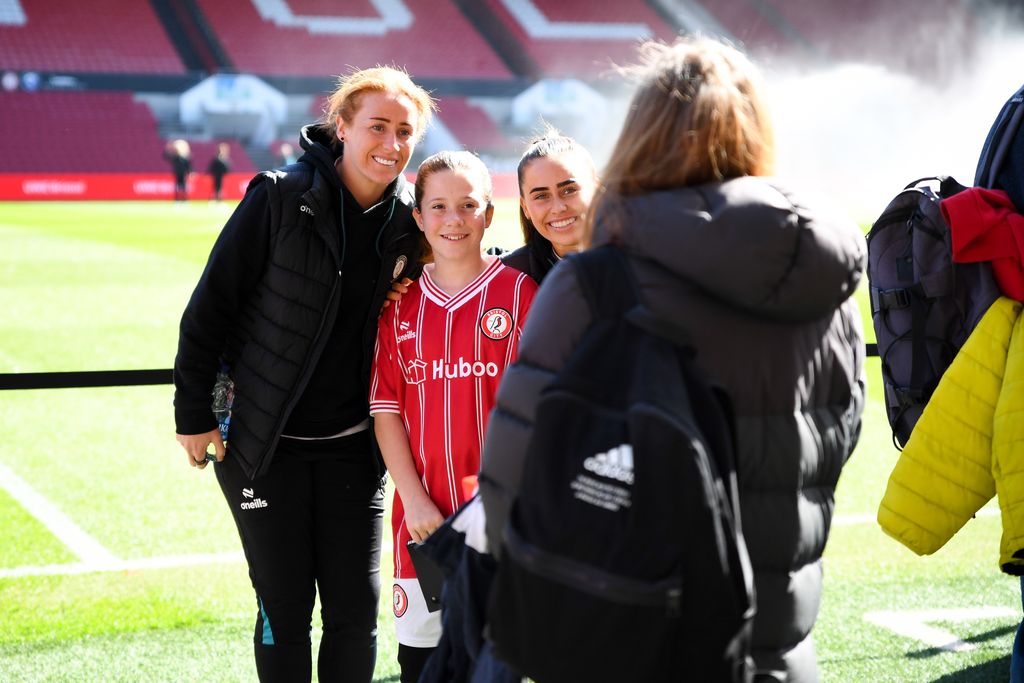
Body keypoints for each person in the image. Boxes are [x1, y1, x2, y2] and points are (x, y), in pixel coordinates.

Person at [479, 36, 866, 682]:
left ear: (639, 136)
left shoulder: (591, 285)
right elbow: (833, 450)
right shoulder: (830, 295)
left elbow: (510, 480)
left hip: (620, 633)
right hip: (772, 647)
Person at [173, 66, 435, 683]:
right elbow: (209, 308)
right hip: (264, 447)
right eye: (377, 126)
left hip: (352, 452)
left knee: (353, 612)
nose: (391, 144)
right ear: (341, 127)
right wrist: (192, 414)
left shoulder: (409, 224)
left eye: (405, 131)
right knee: (284, 610)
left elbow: (467, 263)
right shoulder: (279, 198)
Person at [369, 150, 537, 683]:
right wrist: (414, 499)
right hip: (422, 525)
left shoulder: (521, 293)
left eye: (468, 205)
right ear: (418, 218)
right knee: (425, 667)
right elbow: (386, 409)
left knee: (499, 665)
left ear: (490, 213)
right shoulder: (398, 304)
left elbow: (542, 410)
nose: (454, 219)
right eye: (438, 207)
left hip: (506, 520)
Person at [501, 129, 598, 283]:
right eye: (541, 196)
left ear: (597, 189)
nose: (558, 207)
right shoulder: (508, 274)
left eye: (569, 190)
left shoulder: (640, 259)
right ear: (525, 207)